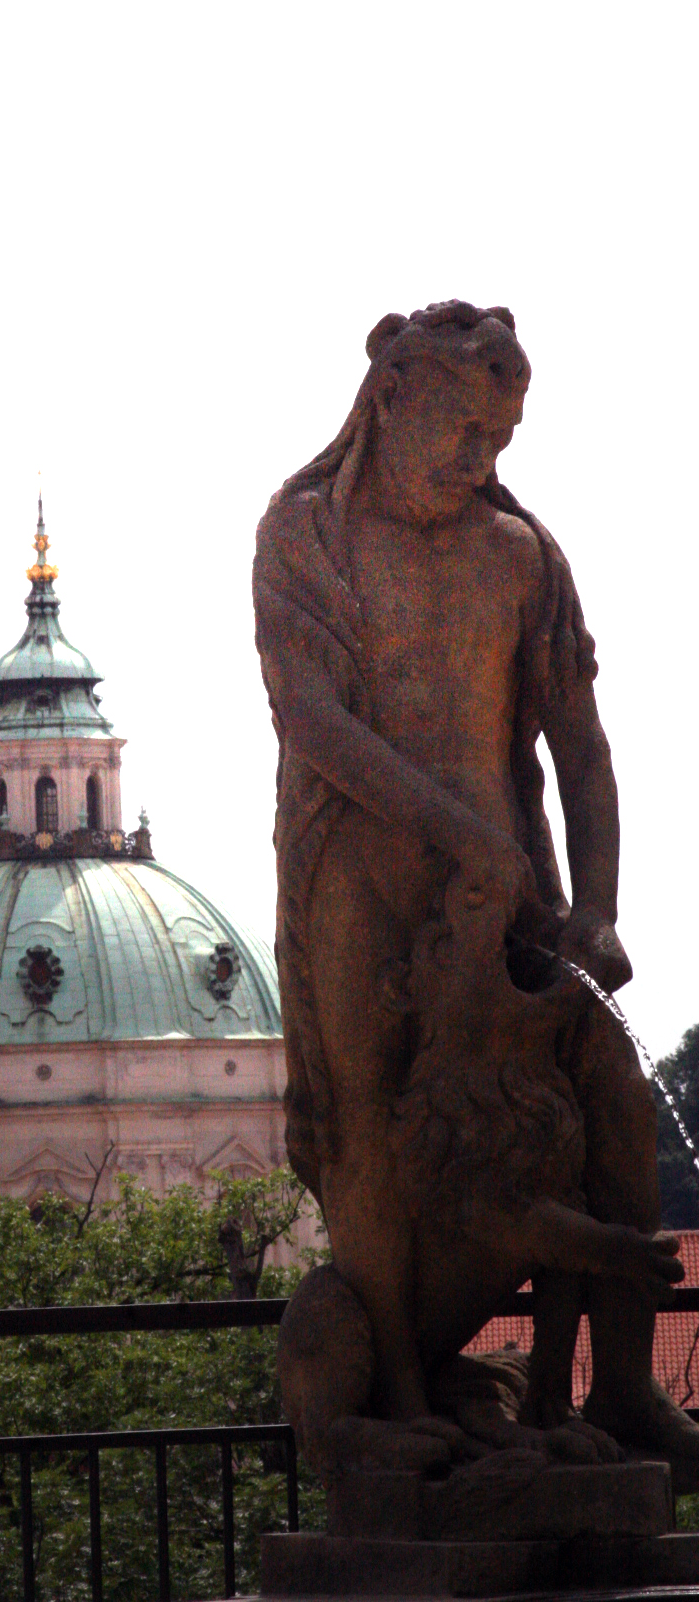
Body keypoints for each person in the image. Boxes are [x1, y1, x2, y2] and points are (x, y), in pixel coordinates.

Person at [253, 300, 699, 1474]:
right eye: (462, 429)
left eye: (499, 438)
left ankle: (622, 1394)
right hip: (355, 878)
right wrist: (461, 833)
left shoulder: (521, 553)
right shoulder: (305, 531)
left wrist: (595, 908)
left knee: (607, 1091)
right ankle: (398, 1392)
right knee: (369, 1129)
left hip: (506, 894)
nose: (481, 460)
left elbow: (582, 748)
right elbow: (313, 723)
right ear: (391, 396)